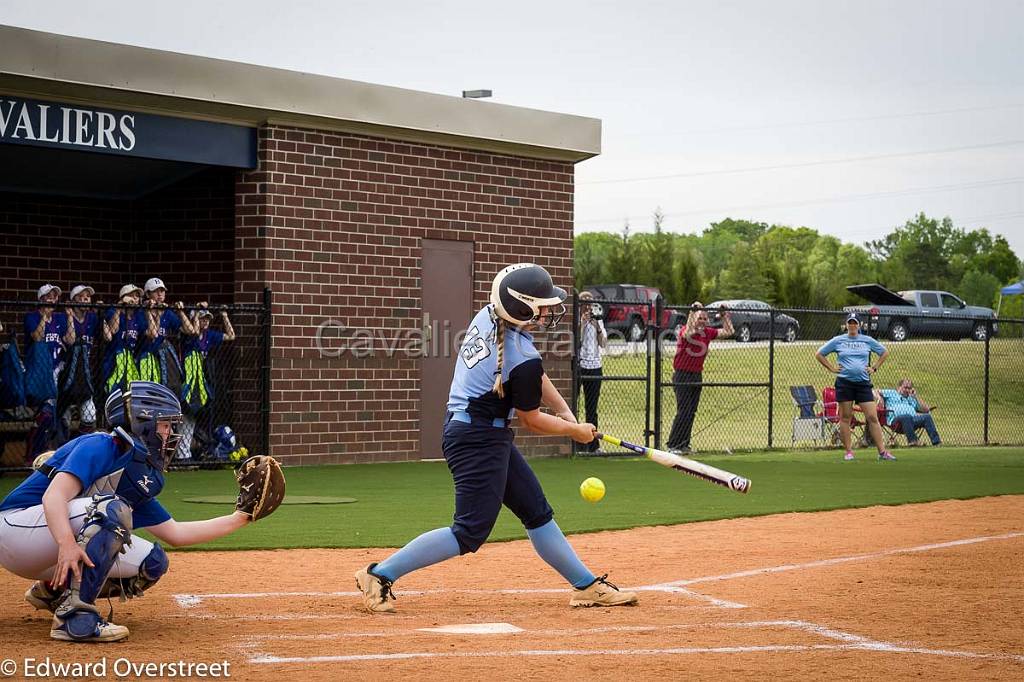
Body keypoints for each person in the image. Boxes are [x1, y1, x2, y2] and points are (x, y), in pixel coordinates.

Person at [354, 263, 637, 613]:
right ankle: (379, 574)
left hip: (482, 433)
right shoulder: (521, 355)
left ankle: (586, 586)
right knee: (470, 531)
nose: (549, 311)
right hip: (476, 440)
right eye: (543, 305)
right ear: (521, 307)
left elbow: (535, 380)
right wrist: (573, 431)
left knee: (536, 512)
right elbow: (531, 419)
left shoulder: (490, 317)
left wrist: (565, 411)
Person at [0, 381, 260, 642]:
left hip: (48, 548)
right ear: (141, 422)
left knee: (153, 563)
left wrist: (242, 517)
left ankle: (53, 592)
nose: (170, 433)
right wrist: (67, 544)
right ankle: (75, 618)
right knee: (112, 509)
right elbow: (53, 497)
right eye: (165, 425)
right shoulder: (100, 445)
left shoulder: (136, 474)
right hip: (16, 532)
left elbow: (177, 533)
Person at [815, 313, 895, 461]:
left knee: (872, 417)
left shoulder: (867, 340)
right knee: (845, 418)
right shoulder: (838, 340)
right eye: (850, 323)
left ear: (859, 325)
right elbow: (819, 354)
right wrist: (832, 368)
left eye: (855, 323)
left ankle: (882, 452)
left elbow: (884, 352)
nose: (852, 326)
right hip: (844, 383)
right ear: (846, 325)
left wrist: (875, 367)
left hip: (863, 384)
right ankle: (849, 452)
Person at [666, 302, 733, 455]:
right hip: (682, 374)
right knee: (683, 410)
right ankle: (673, 445)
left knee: (691, 411)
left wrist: (724, 315)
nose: (702, 321)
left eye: (704, 318)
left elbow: (729, 331)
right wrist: (692, 311)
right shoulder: (686, 330)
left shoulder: (708, 333)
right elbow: (687, 333)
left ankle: (684, 444)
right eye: (699, 318)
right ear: (693, 319)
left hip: (696, 374)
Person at [23, 284, 75, 459]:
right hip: (41, 372)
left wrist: (69, 317)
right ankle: (34, 452)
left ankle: (58, 453)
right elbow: (37, 337)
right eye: (48, 295)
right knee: (46, 414)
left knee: (61, 415)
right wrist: (44, 318)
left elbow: (70, 340)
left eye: (55, 295)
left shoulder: (60, 318)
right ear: (41, 299)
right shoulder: (31, 317)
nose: (53, 298)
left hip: (60, 371)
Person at [178, 303, 236, 460]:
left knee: (196, 417)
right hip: (187, 377)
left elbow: (231, 335)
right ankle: (183, 454)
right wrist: (195, 314)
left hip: (201, 380)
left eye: (207, 319)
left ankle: (194, 450)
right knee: (186, 415)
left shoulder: (210, 335)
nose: (205, 322)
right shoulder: (186, 332)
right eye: (202, 318)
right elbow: (194, 332)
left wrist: (224, 316)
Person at [136, 277, 196, 389]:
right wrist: (152, 311)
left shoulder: (167, 312)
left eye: (162, 291)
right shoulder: (140, 312)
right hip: (144, 357)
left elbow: (190, 330)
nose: (160, 294)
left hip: (162, 358)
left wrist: (180, 312)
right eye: (156, 291)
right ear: (148, 294)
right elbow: (153, 335)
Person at [59, 285, 100, 439]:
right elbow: (69, 340)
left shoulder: (93, 318)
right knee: (65, 415)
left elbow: (108, 336)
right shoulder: (63, 317)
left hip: (85, 372)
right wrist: (70, 316)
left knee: (89, 414)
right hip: (66, 370)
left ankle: (82, 444)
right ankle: (63, 446)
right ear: (73, 300)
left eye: (88, 297)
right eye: (81, 296)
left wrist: (100, 314)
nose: (85, 299)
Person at [101, 284, 144, 397]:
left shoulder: (138, 316)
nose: (135, 299)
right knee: (114, 392)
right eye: (132, 296)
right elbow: (114, 330)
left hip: (130, 359)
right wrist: (119, 309)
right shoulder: (113, 311)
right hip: (113, 359)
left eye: (137, 296)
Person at [577, 291, 607, 453]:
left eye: (590, 302)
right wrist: (582, 323)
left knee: (592, 408)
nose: (587, 305)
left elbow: (603, 344)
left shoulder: (597, 321)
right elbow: (576, 341)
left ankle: (593, 445)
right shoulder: (576, 319)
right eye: (584, 302)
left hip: (595, 366)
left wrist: (597, 328)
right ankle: (577, 445)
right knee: (574, 406)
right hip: (579, 366)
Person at [879, 379, 941, 446]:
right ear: (899, 387)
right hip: (895, 421)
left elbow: (926, 410)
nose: (907, 390)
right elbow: (875, 391)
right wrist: (880, 399)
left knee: (927, 417)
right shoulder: (891, 393)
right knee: (906, 416)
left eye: (909, 388)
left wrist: (916, 397)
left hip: (912, 420)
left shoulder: (912, 398)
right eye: (905, 387)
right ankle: (913, 441)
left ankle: (937, 442)